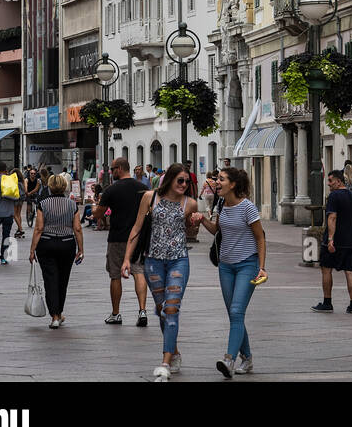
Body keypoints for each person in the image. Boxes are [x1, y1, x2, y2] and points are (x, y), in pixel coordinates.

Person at [123, 163, 196, 381]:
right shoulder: (150, 197)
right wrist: (127, 258)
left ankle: (165, 361)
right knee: (161, 308)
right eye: (180, 180)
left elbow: (192, 231)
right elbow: (136, 228)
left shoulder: (190, 203)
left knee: (171, 309)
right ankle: (174, 351)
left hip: (178, 260)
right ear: (170, 179)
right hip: (153, 261)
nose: (183, 185)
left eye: (186, 181)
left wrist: (196, 222)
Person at [193, 167, 266, 378]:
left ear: (233, 184)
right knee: (234, 314)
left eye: (221, 179)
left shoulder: (247, 208)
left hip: (247, 265)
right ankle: (248, 357)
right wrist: (202, 220)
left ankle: (229, 359)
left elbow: (260, 238)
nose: (217, 182)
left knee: (236, 312)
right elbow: (218, 231)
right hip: (225, 266)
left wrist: (262, 267)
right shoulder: (222, 204)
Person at [94, 156, 149, 326]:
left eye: (112, 169)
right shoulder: (143, 188)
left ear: (119, 169)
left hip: (118, 237)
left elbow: (99, 214)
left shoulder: (111, 190)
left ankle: (116, 314)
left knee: (115, 275)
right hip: (138, 238)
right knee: (138, 271)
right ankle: (142, 310)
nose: (111, 172)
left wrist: (94, 207)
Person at [29, 173, 84, 328]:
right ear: (64, 186)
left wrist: (32, 250)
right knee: (63, 280)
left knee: (50, 279)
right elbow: (77, 228)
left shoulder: (43, 204)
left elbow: (39, 228)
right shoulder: (72, 205)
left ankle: (54, 316)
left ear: (50, 187)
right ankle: (59, 313)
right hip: (67, 244)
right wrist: (81, 249)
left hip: (46, 244)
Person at [312, 170, 352, 314]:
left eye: (330, 181)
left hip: (335, 241)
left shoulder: (334, 196)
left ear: (339, 181)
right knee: (350, 271)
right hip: (350, 241)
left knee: (326, 269)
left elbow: (332, 218)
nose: (328, 184)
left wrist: (330, 239)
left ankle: (327, 302)